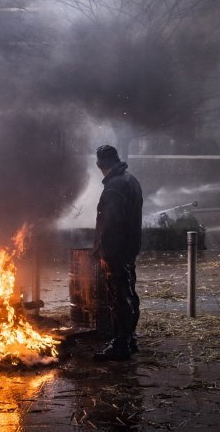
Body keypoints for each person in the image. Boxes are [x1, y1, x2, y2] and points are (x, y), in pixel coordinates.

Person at [91, 144, 143, 361]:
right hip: (129, 248)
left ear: (100, 165)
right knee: (129, 293)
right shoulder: (131, 180)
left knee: (118, 297)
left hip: (115, 251)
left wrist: (101, 251)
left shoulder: (114, 186)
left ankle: (120, 344)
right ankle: (129, 338)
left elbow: (110, 223)